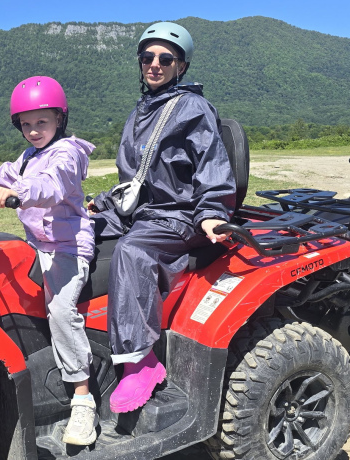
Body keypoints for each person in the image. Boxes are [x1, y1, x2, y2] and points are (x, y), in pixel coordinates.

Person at [88, 22, 237, 413]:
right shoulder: (141, 110)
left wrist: (211, 212)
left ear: (181, 67)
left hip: (180, 213)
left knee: (131, 251)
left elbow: (211, 164)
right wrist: (100, 204)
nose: (154, 64)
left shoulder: (192, 108)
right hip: (145, 210)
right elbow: (135, 179)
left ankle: (140, 362)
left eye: (165, 59)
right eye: (147, 57)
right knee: (75, 232)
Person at [0, 76, 99, 445]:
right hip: (36, 243)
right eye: (26, 124)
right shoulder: (28, 157)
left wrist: (16, 191)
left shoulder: (67, 153)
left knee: (61, 310)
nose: (34, 131)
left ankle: (83, 398)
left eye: (42, 122)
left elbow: (51, 185)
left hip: (67, 247)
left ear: (59, 119)